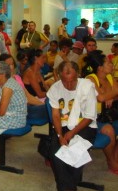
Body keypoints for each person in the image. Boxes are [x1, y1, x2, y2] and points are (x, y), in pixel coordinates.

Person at [47, 61, 97, 191]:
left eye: (72, 81)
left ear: (78, 76)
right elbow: (56, 116)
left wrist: (71, 133)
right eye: (65, 81)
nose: (69, 85)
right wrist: (59, 135)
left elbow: (89, 116)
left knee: (73, 153)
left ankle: (66, 187)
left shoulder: (87, 87)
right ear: (58, 77)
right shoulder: (55, 89)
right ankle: (69, 187)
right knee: (57, 154)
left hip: (85, 126)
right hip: (62, 127)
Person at [84, 50, 118, 174]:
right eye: (108, 63)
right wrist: (108, 95)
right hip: (92, 118)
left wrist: (109, 96)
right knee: (109, 130)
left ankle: (114, 154)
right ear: (100, 68)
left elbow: (110, 94)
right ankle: (111, 161)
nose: (112, 65)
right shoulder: (91, 79)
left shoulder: (109, 76)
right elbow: (100, 98)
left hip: (109, 113)